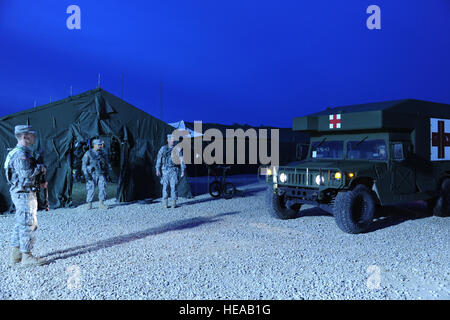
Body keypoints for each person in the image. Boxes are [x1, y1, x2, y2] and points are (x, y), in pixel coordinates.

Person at [4, 125, 47, 266]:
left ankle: (16, 255)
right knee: (29, 224)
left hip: (23, 192)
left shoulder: (22, 152)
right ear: (24, 136)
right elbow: (26, 173)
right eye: (32, 135)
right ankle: (27, 257)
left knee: (20, 224)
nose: (34, 137)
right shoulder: (20, 154)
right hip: (23, 194)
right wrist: (41, 168)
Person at [156, 134, 186, 208]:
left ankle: (174, 202)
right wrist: (157, 169)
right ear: (168, 140)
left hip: (174, 170)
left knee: (174, 187)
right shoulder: (163, 149)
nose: (173, 141)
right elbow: (158, 160)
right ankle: (165, 202)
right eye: (171, 140)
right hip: (165, 170)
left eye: (173, 140)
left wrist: (183, 170)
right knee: (165, 187)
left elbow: (182, 160)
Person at [82, 139, 110, 210]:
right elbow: (84, 165)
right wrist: (86, 174)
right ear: (94, 145)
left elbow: (106, 164)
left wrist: (107, 173)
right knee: (91, 188)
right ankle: (89, 204)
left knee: (102, 187)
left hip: (101, 173)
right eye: (99, 144)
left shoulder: (103, 153)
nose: (100, 146)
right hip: (92, 174)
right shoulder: (88, 153)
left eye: (101, 144)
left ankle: (101, 203)